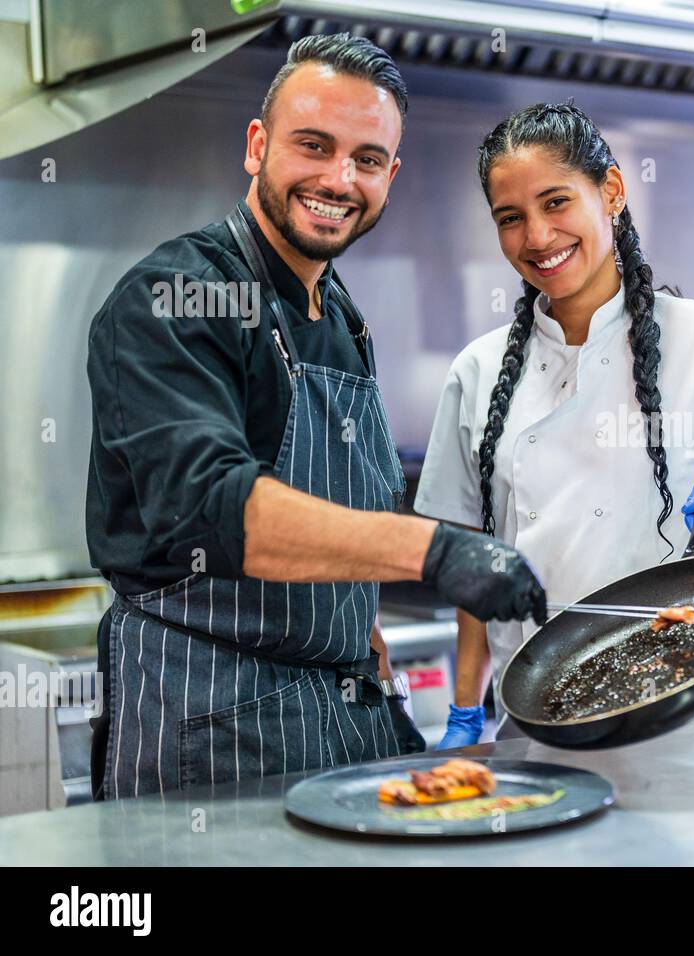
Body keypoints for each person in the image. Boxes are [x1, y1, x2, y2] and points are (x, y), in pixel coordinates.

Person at [84, 34, 545, 800]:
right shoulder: (176, 295)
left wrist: (384, 686)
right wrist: (433, 550)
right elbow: (214, 507)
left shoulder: (342, 317)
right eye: (314, 146)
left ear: (390, 177)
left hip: (340, 715)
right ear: (258, 145)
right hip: (207, 718)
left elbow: (341, 532)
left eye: (367, 159)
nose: (340, 178)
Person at [416, 102, 694, 748]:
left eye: (556, 203)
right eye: (510, 218)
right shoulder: (477, 370)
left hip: (678, 714)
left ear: (610, 191)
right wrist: (466, 711)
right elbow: (471, 566)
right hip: (533, 721)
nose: (537, 236)